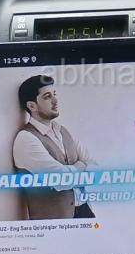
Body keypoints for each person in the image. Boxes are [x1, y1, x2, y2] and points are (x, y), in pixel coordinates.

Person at [11, 74, 96, 219]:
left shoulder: (63, 131)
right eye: (47, 97)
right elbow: (60, 180)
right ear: (32, 106)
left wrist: (73, 171)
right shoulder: (26, 139)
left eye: (54, 94)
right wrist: (81, 165)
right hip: (54, 223)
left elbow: (95, 166)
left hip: (85, 212)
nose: (55, 101)